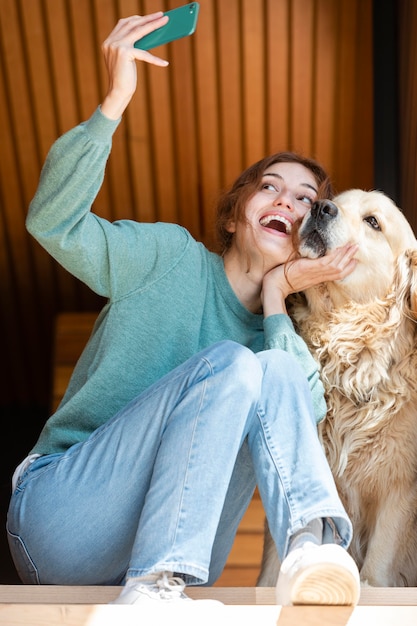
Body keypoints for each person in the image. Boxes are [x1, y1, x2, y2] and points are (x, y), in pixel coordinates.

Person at [7, 13, 361, 607]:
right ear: (234, 215)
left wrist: (277, 297)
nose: (289, 203)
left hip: (183, 561)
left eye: (307, 201)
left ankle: (309, 551)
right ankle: (153, 587)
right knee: (233, 364)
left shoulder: (282, 340)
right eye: (271, 187)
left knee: (266, 372)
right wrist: (113, 103)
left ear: (309, 240)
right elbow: (54, 224)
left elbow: (299, 416)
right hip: (62, 516)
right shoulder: (168, 257)